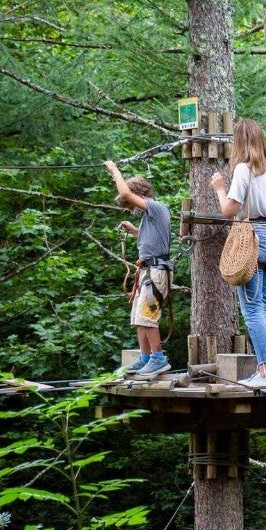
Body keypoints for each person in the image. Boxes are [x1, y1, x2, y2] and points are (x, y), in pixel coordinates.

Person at [211, 119, 266, 387]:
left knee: (253, 311)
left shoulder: (244, 170)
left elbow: (229, 211)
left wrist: (220, 188)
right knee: (261, 307)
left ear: (239, 143)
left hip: (252, 239)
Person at [106, 160, 173, 378]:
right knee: (138, 316)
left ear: (140, 195)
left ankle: (158, 358)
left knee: (147, 315)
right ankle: (144, 357)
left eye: (133, 204)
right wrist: (135, 231)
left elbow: (125, 194)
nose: (132, 209)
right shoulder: (148, 217)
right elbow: (155, 240)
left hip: (156, 271)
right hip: (147, 270)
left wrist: (114, 170)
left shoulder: (156, 207)